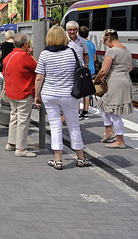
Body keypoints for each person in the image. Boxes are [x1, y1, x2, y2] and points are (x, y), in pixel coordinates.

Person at [34, 26, 92, 170]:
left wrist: (37, 95)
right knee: (74, 126)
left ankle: (58, 160)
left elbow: (39, 78)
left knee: (55, 126)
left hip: (49, 94)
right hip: (69, 95)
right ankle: (81, 158)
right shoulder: (72, 52)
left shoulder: (44, 54)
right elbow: (79, 70)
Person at [94, 29, 133, 148]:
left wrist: (96, 80)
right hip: (125, 80)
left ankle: (119, 140)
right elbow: (130, 67)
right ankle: (109, 132)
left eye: (104, 41)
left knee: (113, 112)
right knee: (103, 105)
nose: (104, 44)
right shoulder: (126, 50)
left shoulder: (111, 51)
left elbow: (103, 70)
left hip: (115, 83)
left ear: (108, 39)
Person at [3, 34, 37, 157]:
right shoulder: (24, 57)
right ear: (25, 44)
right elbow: (37, 68)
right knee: (23, 120)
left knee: (14, 117)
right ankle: (20, 148)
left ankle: (11, 142)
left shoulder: (9, 56)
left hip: (11, 91)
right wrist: (31, 55)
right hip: (23, 91)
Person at [66, 20, 90, 120]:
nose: (72, 32)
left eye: (74, 29)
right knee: (67, 93)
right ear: (67, 30)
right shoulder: (64, 41)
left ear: (77, 30)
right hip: (67, 71)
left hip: (78, 71)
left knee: (77, 93)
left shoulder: (82, 41)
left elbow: (85, 54)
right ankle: (66, 113)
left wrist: (86, 64)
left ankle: (75, 114)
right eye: (70, 30)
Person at [79, 26, 96, 117]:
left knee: (78, 90)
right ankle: (85, 111)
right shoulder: (92, 44)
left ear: (78, 34)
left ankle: (77, 111)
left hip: (81, 70)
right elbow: (94, 58)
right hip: (91, 70)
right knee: (87, 92)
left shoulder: (79, 44)